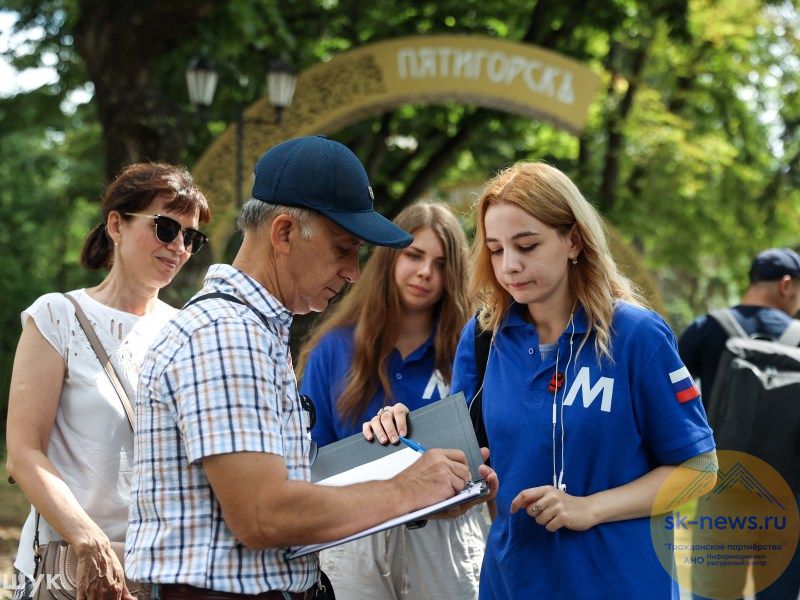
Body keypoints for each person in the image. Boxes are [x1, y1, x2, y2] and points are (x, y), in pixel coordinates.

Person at [125, 135, 497, 599]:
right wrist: (405, 490)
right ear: (283, 232)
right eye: (344, 248)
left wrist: (427, 495)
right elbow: (263, 514)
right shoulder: (227, 334)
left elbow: (297, 493)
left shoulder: (250, 330)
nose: (354, 272)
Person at [441, 161, 715, 599]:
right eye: (495, 250)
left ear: (573, 240)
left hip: (620, 583)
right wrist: (403, 435)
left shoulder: (637, 337)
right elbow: (459, 474)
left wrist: (589, 508)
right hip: (512, 583)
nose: (509, 266)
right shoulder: (482, 337)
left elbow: (699, 470)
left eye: (526, 245)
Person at [5, 162, 211, 599]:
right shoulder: (57, 317)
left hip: (164, 568)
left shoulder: (188, 330)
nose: (179, 246)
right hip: (73, 563)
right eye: (166, 228)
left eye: (191, 237)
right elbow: (24, 454)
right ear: (116, 224)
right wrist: (87, 539)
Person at [297, 201, 488, 599]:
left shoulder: (472, 348)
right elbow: (310, 458)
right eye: (414, 256)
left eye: (441, 264)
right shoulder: (333, 348)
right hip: (355, 533)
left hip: (448, 530)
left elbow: (486, 448)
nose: (425, 273)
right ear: (388, 260)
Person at [678, 247, 800, 600]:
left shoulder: (707, 328)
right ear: (786, 285)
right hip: (788, 496)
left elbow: (667, 402)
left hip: (722, 489)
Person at [679, 247, 800, 404]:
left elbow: (669, 390)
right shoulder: (797, 335)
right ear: (786, 285)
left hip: (716, 428)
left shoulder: (706, 326)